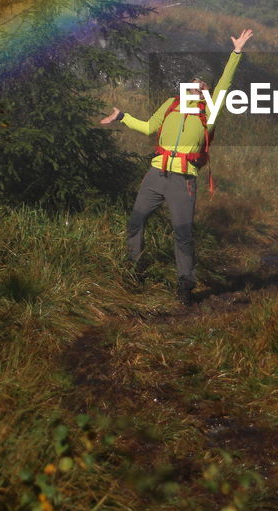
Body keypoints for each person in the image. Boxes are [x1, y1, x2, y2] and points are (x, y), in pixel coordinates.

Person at [100, 28, 253, 305]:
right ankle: (133, 271)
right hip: (155, 175)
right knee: (136, 222)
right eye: (192, 83)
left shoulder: (209, 112)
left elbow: (225, 84)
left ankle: (185, 285)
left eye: (201, 86)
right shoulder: (171, 105)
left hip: (183, 179)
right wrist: (122, 116)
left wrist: (236, 52)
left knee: (182, 234)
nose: (196, 86)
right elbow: (148, 127)